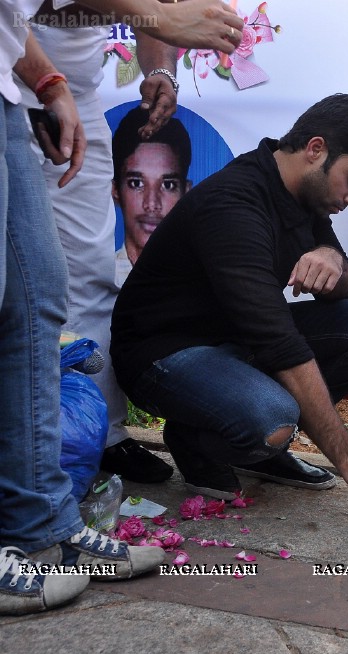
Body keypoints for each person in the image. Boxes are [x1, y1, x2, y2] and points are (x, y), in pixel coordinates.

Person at [1, 0, 242, 615]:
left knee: (39, 303)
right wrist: (158, 17)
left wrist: (54, 82)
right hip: (17, 89)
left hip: (20, 83)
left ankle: (45, 519)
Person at [110, 93, 348, 511]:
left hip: (232, 342)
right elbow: (277, 342)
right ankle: (198, 441)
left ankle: (265, 447)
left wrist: (332, 258)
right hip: (163, 354)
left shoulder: (303, 196)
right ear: (315, 150)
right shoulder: (234, 204)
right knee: (271, 417)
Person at [16, 10, 183, 487]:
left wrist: (160, 70)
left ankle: (99, 433)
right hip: (16, 87)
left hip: (75, 95)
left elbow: (153, 12)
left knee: (91, 271)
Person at [111, 104, 191, 281]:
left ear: (186, 192)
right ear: (115, 190)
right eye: (137, 183)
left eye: (168, 185)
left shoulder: (203, 283)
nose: (152, 204)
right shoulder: (95, 284)